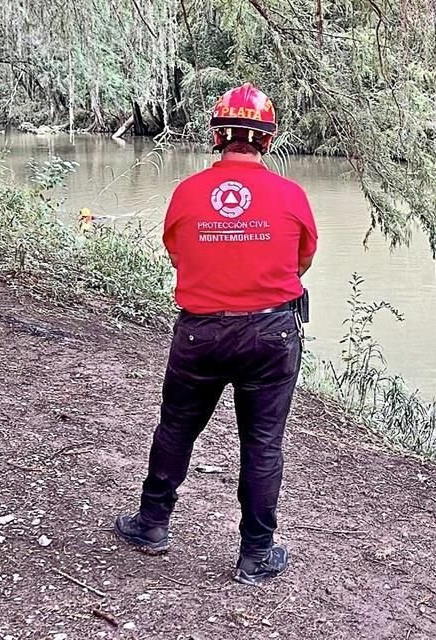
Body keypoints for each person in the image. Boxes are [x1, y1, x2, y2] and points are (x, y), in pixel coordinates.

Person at [114, 83, 318, 586]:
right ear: (267, 140)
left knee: (177, 427)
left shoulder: (188, 192)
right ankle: (256, 554)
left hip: (200, 334)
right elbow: (302, 261)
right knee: (263, 443)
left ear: (218, 136)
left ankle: (152, 524)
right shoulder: (291, 195)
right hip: (271, 334)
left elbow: (178, 253)